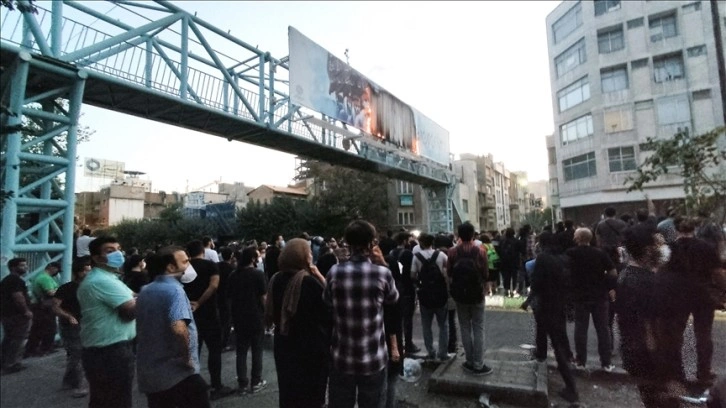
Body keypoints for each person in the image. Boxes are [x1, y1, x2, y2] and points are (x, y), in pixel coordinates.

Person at [324, 220, 399, 408]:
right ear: (371, 243)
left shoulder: (334, 272)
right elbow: (393, 299)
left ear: (348, 243)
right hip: (373, 357)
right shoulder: (383, 274)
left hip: (342, 356)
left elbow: (327, 302)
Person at [617, 225, 685, 407]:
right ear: (648, 251)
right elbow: (652, 332)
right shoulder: (648, 284)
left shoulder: (626, 276)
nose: (663, 248)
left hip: (635, 357)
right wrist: (670, 376)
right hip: (653, 363)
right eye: (658, 244)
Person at [136, 246, 210, 408]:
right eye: (184, 262)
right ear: (170, 267)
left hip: (152, 373)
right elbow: (179, 328)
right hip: (178, 374)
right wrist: (187, 358)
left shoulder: (145, 290)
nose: (188, 266)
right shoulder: (175, 291)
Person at [266, 238, 331, 408]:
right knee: (311, 396)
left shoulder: (276, 279)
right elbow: (329, 310)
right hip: (309, 348)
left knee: (289, 393)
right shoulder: (308, 282)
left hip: (284, 343)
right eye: (308, 252)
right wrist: (320, 277)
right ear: (303, 257)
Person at [659, 217, 722, 386]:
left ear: (677, 230)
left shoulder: (667, 249)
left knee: (675, 334)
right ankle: (703, 372)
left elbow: (658, 271)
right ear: (694, 229)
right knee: (703, 334)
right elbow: (718, 273)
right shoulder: (706, 247)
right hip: (702, 294)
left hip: (676, 295)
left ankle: (676, 371)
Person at [77, 236, 137, 408]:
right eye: (110, 251)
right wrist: (152, 293)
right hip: (110, 352)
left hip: (106, 350)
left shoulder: (110, 278)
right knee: (117, 400)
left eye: (119, 249)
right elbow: (129, 311)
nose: (118, 254)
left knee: (103, 400)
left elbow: (133, 297)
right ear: (96, 258)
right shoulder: (101, 281)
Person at [530, 232, 578, 403]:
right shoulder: (565, 258)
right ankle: (567, 368)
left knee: (557, 345)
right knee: (560, 340)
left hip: (547, 304)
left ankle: (571, 388)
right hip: (561, 304)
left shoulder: (543, 259)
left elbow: (536, 283)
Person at [184, 240, 234, 400]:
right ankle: (216, 385)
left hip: (189, 314)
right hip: (210, 313)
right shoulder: (211, 266)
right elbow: (213, 286)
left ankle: (193, 385)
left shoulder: (185, 267)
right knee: (214, 350)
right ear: (203, 251)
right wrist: (200, 302)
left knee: (193, 351)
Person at [565, 228, 617, 371]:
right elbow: (613, 272)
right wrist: (607, 284)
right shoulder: (599, 253)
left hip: (580, 295)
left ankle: (581, 361)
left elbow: (564, 272)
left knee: (580, 328)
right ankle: (606, 362)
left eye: (575, 235)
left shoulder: (570, 253)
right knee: (603, 329)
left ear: (578, 238)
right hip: (599, 295)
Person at [447, 221, 492, 376]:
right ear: (473, 235)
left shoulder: (452, 252)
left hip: (460, 295)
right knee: (478, 327)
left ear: (459, 235)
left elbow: (450, 273)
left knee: (464, 327)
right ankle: (479, 364)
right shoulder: (480, 251)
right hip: (477, 294)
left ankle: (469, 361)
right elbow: (486, 274)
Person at [228, 246, 268, 394]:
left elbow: (230, 298)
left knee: (242, 351)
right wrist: (269, 315)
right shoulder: (258, 274)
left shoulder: (233, 275)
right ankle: (256, 381)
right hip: (256, 316)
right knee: (257, 350)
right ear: (252, 258)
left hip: (239, 317)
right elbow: (264, 297)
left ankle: (242, 383)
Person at [53, 260, 91, 398]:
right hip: (71, 326)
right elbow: (55, 306)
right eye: (85, 270)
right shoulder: (66, 288)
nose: (88, 272)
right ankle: (81, 385)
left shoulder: (90, 287)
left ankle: (68, 381)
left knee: (76, 355)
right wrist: (68, 317)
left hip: (87, 324)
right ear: (78, 272)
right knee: (78, 354)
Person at [411, 232, 449, 362]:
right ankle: (443, 353)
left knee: (426, 325)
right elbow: (447, 272)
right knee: (443, 324)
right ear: (432, 243)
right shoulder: (441, 255)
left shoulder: (416, 257)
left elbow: (412, 275)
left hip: (425, 295)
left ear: (421, 243)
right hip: (440, 294)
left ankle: (431, 352)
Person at [0, 258, 33, 374]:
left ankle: (5, 362)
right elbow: (18, 297)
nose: (26, 267)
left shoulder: (7, 280)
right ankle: (12, 363)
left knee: (9, 339)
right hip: (17, 315)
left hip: (7, 314)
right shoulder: (16, 280)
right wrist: (26, 311)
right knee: (17, 339)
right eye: (22, 265)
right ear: (14, 267)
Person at [390, 231, 420, 354]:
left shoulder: (392, 253)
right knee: (408, 318)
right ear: (404, 241)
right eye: (408, 240)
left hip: (395, 287)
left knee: (397, 318)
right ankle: (408, 344)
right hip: (407, 288)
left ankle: (398, 343)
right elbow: (413, 272)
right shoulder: (408, 254)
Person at [25, 261, 61, 357]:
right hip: (45, 307)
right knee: (49, 328)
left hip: (39, 306)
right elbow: (50, 292)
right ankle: (45, 348)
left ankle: (31, 349)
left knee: (37, 328)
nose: (57, 272)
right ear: (52, 268)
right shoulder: (45, 278)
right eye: (57, 270)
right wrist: (60, 291)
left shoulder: (39, 276)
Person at [217, 247, 235, 351]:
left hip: (218, 295)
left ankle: (219, 340)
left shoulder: (217, 266)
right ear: (231, 256)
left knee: (220, 319)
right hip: (227, 297)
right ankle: (224, 343)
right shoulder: (232, 269)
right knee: (227, 320)